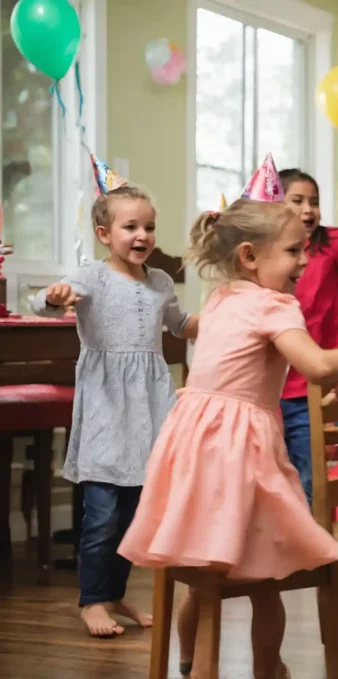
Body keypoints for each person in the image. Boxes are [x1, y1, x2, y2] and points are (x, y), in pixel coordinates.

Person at [118, 170, 338, 678]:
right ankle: (267, 670)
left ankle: (187, 663)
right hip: (237, 452)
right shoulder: (276, 305)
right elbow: (312, 365)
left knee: (203, 576)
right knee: (267, 580)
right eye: (294, 251)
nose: (305, 261)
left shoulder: (221, 298)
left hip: (191, 449)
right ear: (250, 256)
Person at [32, 176, 199, 638]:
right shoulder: (92, 275)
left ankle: (113, 593)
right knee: (103, 511)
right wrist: (52, 297)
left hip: (149, 403)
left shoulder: (161, 280)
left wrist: (225, 320)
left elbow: (181, 325)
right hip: (107, 403)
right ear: (105, 235)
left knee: (135, 510)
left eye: (148, 227)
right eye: (130, 227)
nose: (142, 236)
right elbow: (46, 301)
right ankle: (91, 600)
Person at [278, 168, 338, 505]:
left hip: (323, 375)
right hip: (279, 383)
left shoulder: (332, 242)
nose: (308, 210)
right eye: (297, 201)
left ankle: (314, 540)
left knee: (311, 468)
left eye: (314, 202)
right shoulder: (271, 252)